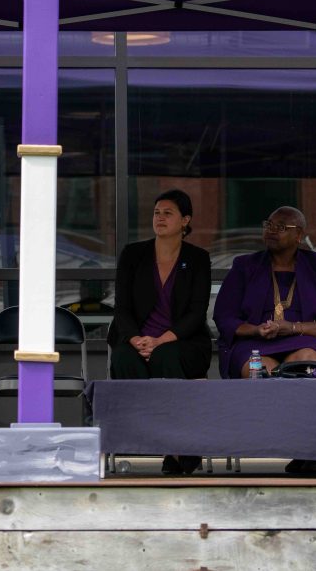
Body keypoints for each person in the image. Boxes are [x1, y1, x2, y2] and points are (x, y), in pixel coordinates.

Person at [213, 206, 316, 474]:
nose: (271, 231)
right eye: (268, 224)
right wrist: (255, 330)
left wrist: (295, 327)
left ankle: (308, 449)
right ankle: (302, 446)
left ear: (299, 235)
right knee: (264, 372)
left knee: (306, 365)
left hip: (305, 341)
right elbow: (224, 317)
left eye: (281, 227)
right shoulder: (245, 266)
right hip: (254, 343)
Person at [107, 189, 212, 475]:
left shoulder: (198, 258)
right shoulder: (133, 254)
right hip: (136, 340)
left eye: (168, 213)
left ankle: (176, 448)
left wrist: (161, 340)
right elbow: (122, 308)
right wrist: (136, 339)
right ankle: (165, 441)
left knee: (166, 357)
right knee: (124, 358)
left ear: (185, 220)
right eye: (156, 212)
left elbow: (196, 313)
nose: (160, 218)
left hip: (183, 341)